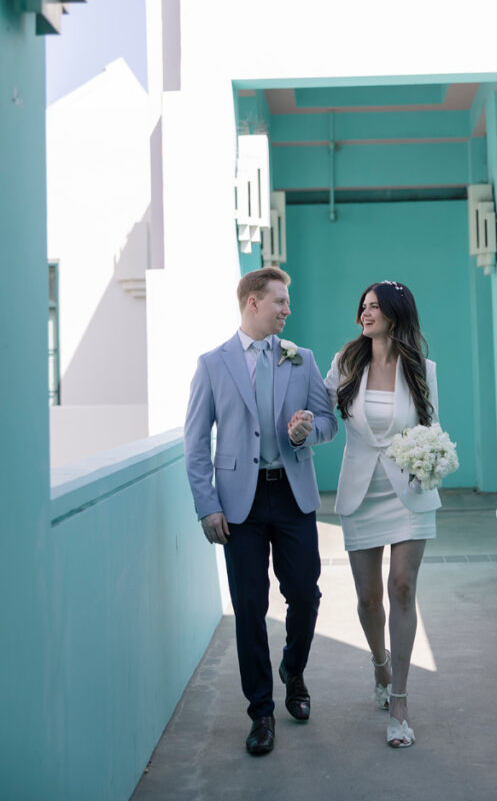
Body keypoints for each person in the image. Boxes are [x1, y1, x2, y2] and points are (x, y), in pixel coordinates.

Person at [184, 267, 337, 756]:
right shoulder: (212, 364)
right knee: (250, 607)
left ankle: (293, 668)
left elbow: (329, 422)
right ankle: (261, 713)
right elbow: (194, 445)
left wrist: (305, 432)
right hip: (238, 506)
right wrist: (207, 505)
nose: (288, 309)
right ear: (253, 302)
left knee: (305, 595)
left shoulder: (302, 358)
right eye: (280, 302)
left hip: (292, 496)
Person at [324, 280, 441, 749]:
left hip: (409, 492)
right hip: (360, 493)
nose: (365, 314)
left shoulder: (422, 368)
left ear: (395, 314)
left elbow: (433, 427)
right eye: (363, 307)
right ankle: (379, 663)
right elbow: (324, 412)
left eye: (374, 307)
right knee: (370, 598)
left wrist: (429, 467)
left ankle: (400, 701)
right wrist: (303, 425)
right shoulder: (345, 362)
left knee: (403, 588)